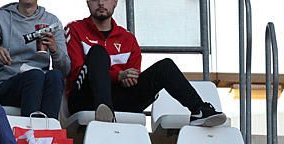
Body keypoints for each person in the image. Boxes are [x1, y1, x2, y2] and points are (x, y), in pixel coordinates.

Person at [65, 0, 226, 126]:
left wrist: (129, 79)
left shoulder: (127, 38)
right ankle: (104, 113)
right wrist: (118, 75)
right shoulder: (74, 29)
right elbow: (76, 71)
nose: (101, 3)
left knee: (165, 66)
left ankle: (199, 110)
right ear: (87, 2)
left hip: (120, 99)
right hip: (86, 98)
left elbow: (133, 75)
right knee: (98, 52)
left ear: (115, 2)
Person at [0, 0, 70, 118]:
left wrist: (55, 50)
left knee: (55, 76)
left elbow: (65, 70)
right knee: (35, 75)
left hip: (41, 83)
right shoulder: (0, 18)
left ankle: (48, 132)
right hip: (8, 83)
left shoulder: (52, 21)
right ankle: (32, 133)